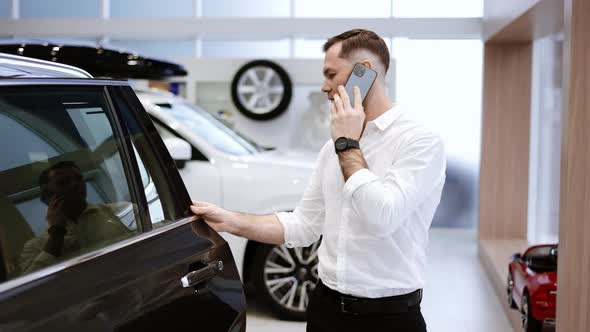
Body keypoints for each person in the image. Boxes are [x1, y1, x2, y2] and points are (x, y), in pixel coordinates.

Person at [190, 29, 446, 332]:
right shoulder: (331, 149)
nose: (324, 87)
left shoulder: (419, 141)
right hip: (326, 309)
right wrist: (231, 221)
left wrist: (348, 144)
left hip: (390, 318)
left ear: (364, 72)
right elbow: (303, 226)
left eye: (331, 74)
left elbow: (382, 216)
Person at [17, 161, 133, 275]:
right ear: (48, 195)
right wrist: (57, 231)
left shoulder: (123, 212)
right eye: (63, 182)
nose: (75, 185)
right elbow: (34, 287)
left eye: (79, 179)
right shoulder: (34, 247)